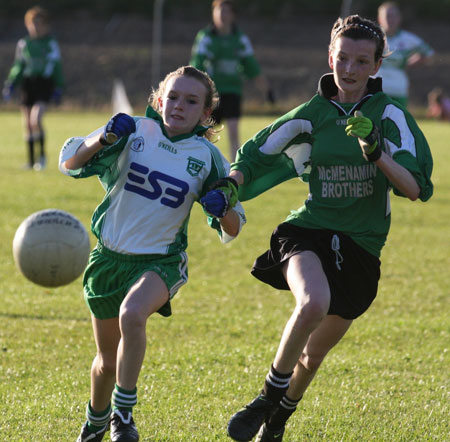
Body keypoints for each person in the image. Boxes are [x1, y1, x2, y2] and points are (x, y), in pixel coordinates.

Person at [225, 14, 433, 442]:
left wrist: (376, 153)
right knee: (312, 302)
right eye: (343, 58)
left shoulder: (390, 115)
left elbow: (414, 188)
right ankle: (265, 398)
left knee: (313, 355)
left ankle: (277, 420)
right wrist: (228, 184)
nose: (350, 69)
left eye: (362, 61)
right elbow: (257, 153)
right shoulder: (313, 113)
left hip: (362, 247)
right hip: (309, 231)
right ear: (330, 57)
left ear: (376, 66)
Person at [58, 65, 246, 442]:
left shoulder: (208, 157)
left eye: (191, 101)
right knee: (105, 363)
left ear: (206, 114)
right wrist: (105, 137)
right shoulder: (133, 131)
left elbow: (235, 225)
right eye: (173, 97)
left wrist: (221, 207)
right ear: (159, 100)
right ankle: (96, 420)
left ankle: (123, 414)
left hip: (160, 262)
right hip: (108, 261)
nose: (179, 105)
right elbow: (70, 161)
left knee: (133, 313)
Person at [190, 0, 274, 161]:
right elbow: (196, 65)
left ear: (233, 15)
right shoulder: (206, 38)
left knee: (234, 131)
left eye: (226, 11)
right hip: (211, 93)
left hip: (232, 91)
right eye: (219, 10)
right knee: (204, 132)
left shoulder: (240, 40)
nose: (222, 14)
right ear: (213, 13)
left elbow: (252, 67)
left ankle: (234, 172)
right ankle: (201, 163)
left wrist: (267, 90)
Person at [2, 6, 64, 171]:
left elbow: (56, 66)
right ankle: (30, 162)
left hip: (44, 84)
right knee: (27, 124)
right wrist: (11, 83)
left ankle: (42, 157)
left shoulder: (50, 44)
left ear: (45, 25)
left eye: (39, 23)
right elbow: (18, 66)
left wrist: (59, 87)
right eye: (32, 23)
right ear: (27, 25)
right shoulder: (24, 44)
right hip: (28, 84)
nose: (36, 27)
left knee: (36, 119)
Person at [377, 1, 434, 107]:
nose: (390, 19)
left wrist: (416, 61)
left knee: (398, 120)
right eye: (387, 16)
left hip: (398, 88)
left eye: (393, 16)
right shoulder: (373, 37)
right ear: (380, 18)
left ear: (399, 18)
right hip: (376, 88)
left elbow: (429, 54)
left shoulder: (408, 39)